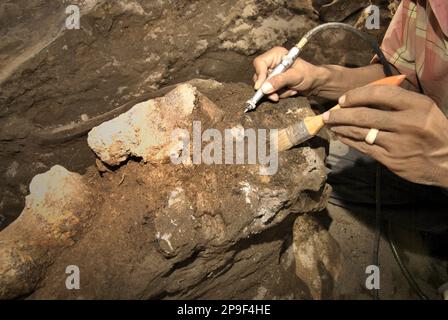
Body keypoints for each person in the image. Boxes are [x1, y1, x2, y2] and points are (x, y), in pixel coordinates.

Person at [252, 0, 448, 230]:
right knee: (326, 168)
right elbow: (398, 76)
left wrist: (443, 165)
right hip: (423, 149)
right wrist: (319, 79)